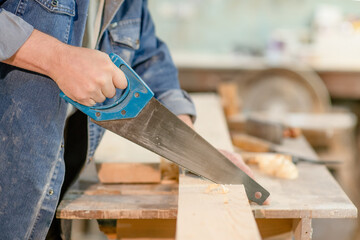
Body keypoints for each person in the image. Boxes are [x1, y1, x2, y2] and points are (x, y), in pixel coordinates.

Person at [0, 0, 254, 239]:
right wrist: (58, 59)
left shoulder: (129, 4)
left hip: (50, 187)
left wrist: (192, 147)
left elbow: (148, 59)